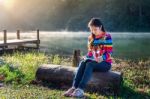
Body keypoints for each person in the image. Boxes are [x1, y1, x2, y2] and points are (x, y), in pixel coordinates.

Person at [63, 18, 113, 98]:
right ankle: (74, 87)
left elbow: (109, 53)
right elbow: (90, 53)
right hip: (95, 61)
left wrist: (102, 58)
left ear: (100, 27)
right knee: (83, 62)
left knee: (90, 64)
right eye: (92, 29)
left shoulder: (107, 37)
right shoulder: (91, 38)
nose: (93, 31)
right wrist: (86, 57)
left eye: (95, 29)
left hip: (105, 63)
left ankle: (81, 89)